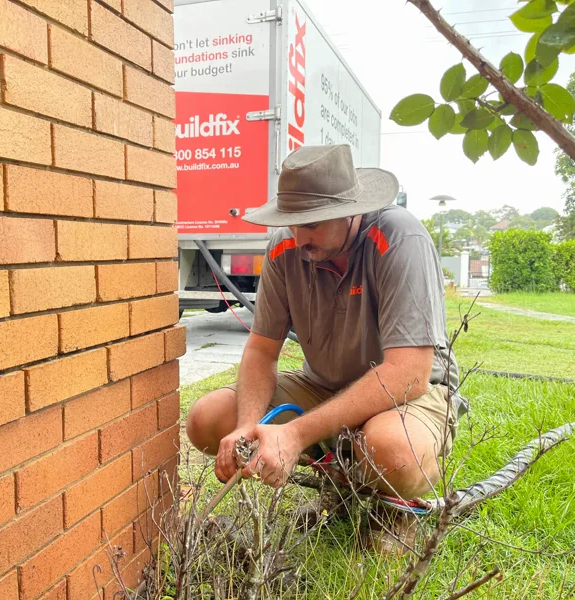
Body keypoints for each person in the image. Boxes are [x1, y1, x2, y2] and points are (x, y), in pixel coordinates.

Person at [186, 144, 467, 552]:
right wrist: (247, 425)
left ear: (350, 210)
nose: (299, 237)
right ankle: (340, 482)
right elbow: (261, 351)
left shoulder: (399, 239)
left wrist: (295, 434)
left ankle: (395, 509)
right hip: (324, 386)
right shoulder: (287, 247)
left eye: (312, 223)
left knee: (392, 449)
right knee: (208, 418)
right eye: (291, 222)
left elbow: (409, 373)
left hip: (410, 395)